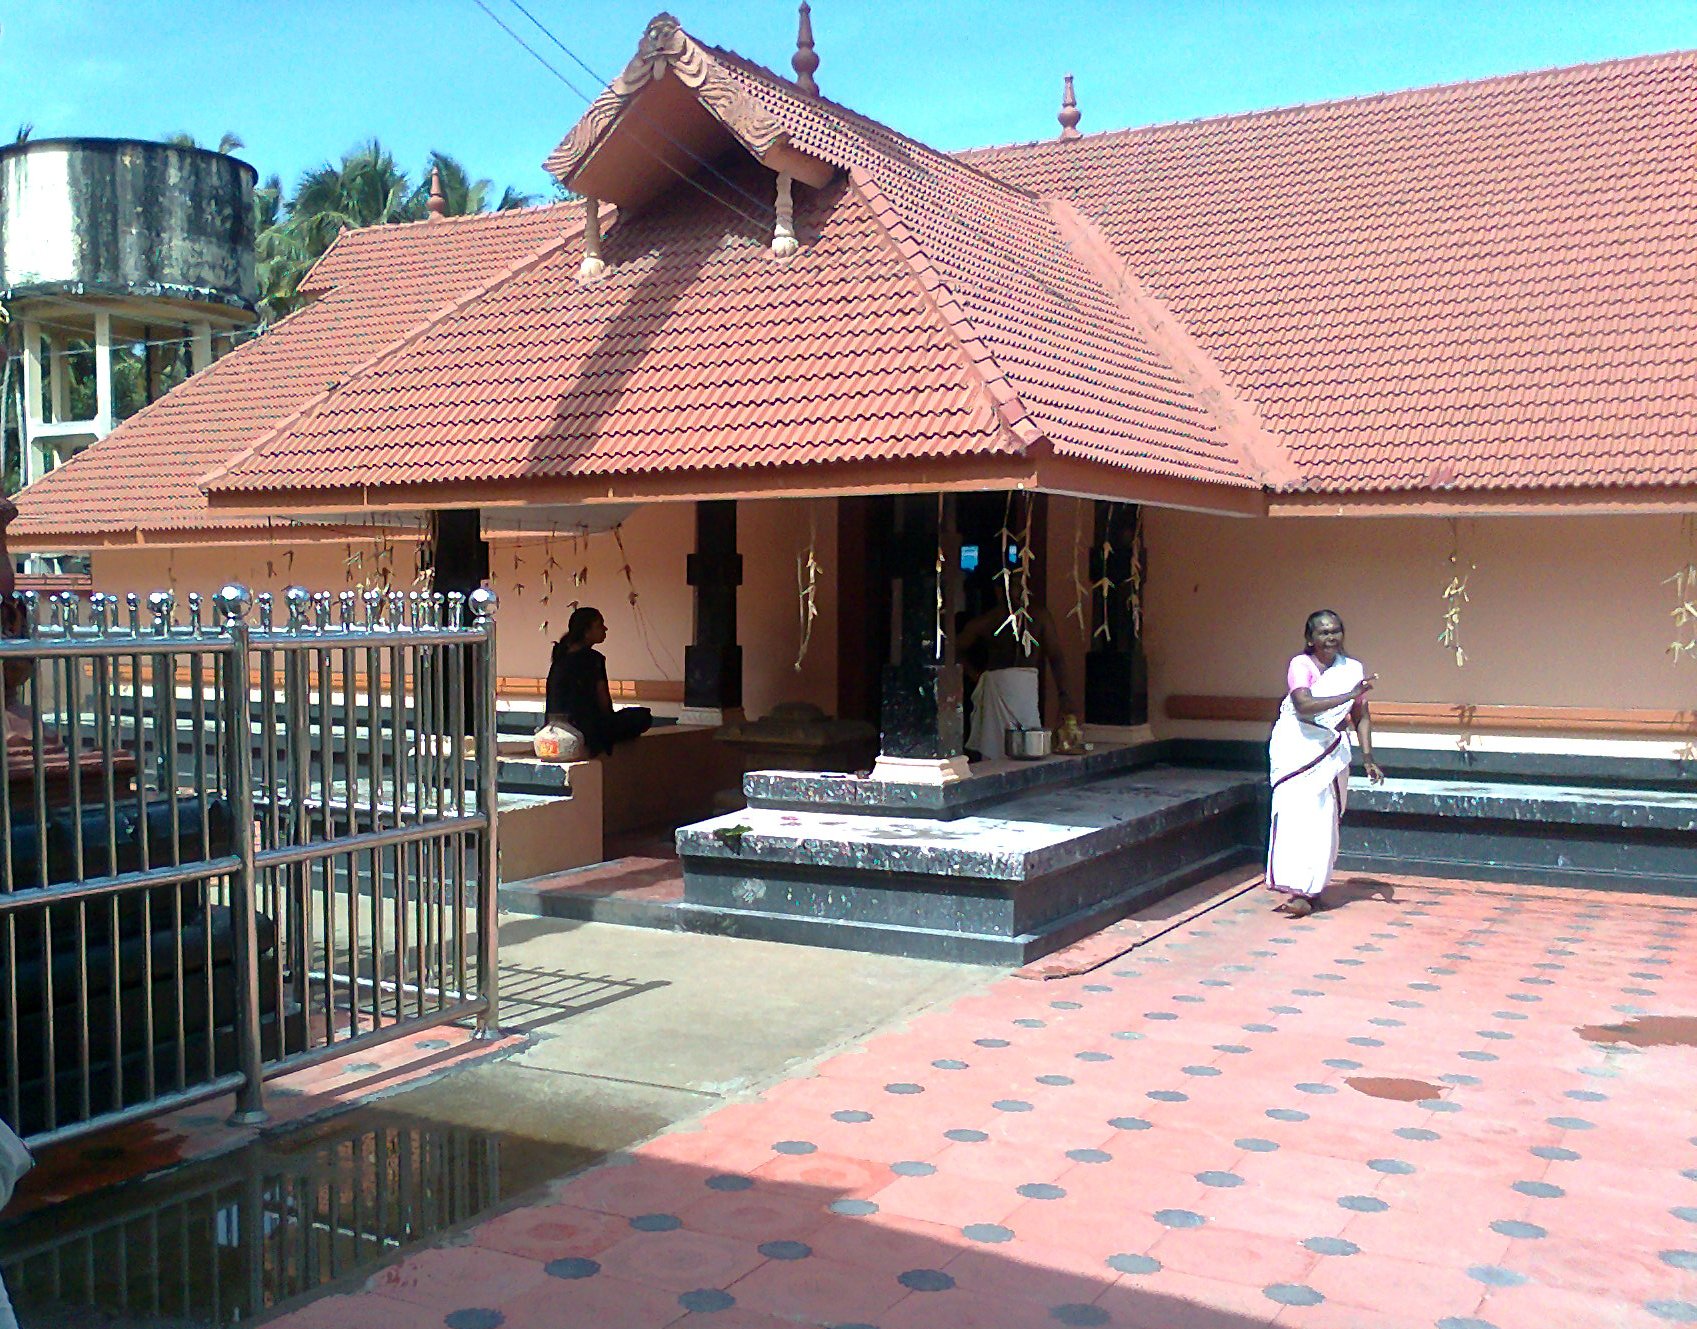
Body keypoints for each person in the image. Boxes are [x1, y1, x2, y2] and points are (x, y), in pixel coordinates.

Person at [1266, 609, 1383, 916]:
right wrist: (1350, 693)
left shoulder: (1352, 669)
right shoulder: (1300, 665)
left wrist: (1368, 757)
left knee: (1323, 820)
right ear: (1310, 638)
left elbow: (1361, 715)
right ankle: (1296, 889)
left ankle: (1313, 890)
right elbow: (1303, 706)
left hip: (1330, 752)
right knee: (1295, 817)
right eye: (1323, 633)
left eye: (1335, 631)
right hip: (1296, 748)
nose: (1331, 638)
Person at [544, 607, 653, 756]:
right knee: (643, 716)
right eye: (600, 625)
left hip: (556, 728)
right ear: (586, 631)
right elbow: (603, 702)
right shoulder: (593, 659)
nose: (605, 629)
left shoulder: (560, 658)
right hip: (585, 729)